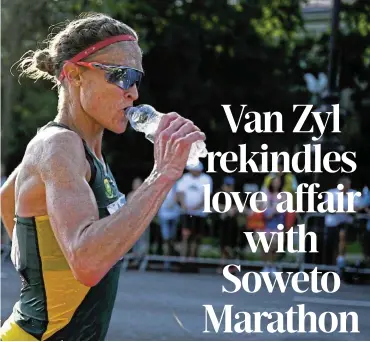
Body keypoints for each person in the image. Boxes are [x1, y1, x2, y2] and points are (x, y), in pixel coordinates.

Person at [0, 13, 205, 341]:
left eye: (136, 78)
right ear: (73, 75)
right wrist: (164, 173)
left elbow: (7, 197)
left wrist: (38, 265)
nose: (134, 93)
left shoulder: (81, 149)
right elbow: (88, 264)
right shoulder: (59, 145)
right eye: (121, 76)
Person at [324, 177, 362, 272]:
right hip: (332, 223)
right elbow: (328, 207)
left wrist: (338, 209)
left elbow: (355, 208)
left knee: (342, 237)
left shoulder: (354, 194)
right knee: (332, 244)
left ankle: (341, 262)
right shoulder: (331, 193)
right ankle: (332, 264)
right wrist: (345, 210)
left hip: (346, 223)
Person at [177, 161, 213, 259]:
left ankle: (193, 259)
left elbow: (206, 196)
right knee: (185, 236)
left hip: (199, 213)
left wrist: (196, 207)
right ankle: (183, 259)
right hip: (186, 212)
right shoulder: (185, 178)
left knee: (196, 237)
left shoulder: (206, 179)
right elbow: (180, 193)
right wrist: (184, 205)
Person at [215, 176, 239, 274]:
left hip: (232, 224)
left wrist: (233, 209)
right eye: (227, 185)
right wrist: (227, 209)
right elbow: (215, 206)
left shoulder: (236, 195)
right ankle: (223, 264)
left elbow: (239, 206)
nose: (229, 188)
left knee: (231, 246)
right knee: (223, 245)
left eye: (231, 186)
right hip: (221, 223)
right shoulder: (219, 194)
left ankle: (230, 265)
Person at [157, 182, 181, 270]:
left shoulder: (178, 184)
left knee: (173, 239)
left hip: (175, 214)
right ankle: (166, 262)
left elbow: (179, 196)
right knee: (166, 239)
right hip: (163, 215)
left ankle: (171, 260)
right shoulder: (161, 183)